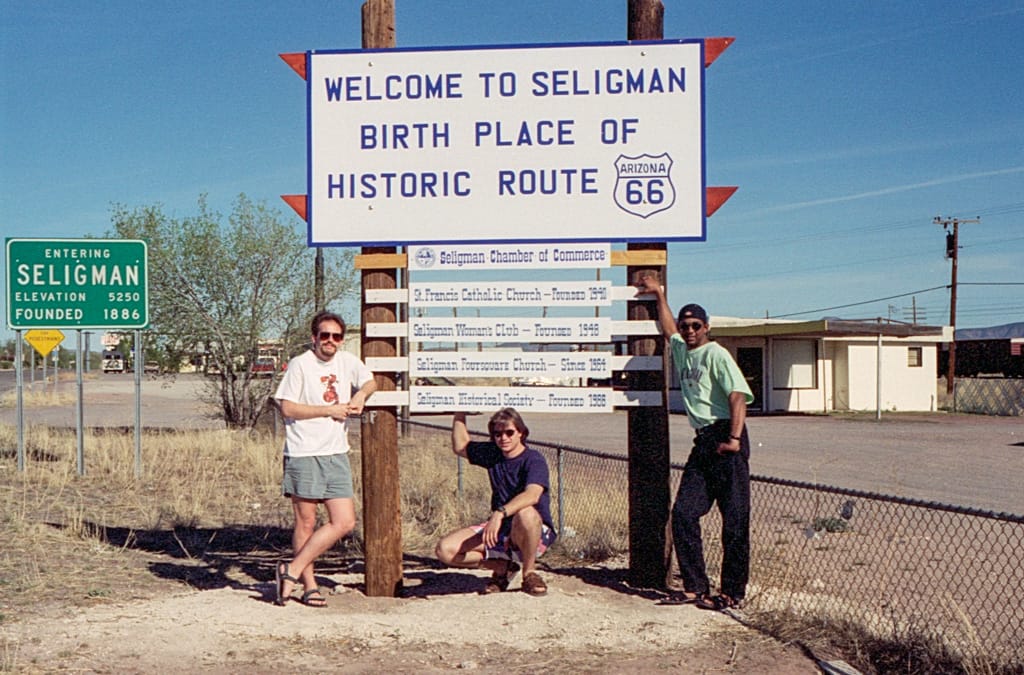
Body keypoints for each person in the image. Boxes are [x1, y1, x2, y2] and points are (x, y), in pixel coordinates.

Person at [637, 273, 754, 611]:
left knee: (734, 521)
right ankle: (695, 586)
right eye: (687, 325)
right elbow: (668, 328)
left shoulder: (716, 354)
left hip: (725, 437)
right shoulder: (682, 350)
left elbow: (737, 396)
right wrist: (659, 294)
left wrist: (733, 439)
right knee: (684, 513)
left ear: (707, 328)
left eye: (696, 325)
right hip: (703, 442)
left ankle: (732, 592)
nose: (689, 330)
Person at [272, 310, 377, 607]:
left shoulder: (346, 362)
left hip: (336, 453)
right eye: (325, 335)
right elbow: (288, 408)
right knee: (305, 523)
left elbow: (370, 382)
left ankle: (289, 569)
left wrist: (360, 397)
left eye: (336, 336)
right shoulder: (300, 364)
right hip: (305, 452)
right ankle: (309, 585)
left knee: (344, 521)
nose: (330, 341)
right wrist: (327, 410)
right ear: (314, 337)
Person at [435, 408, 557, 596]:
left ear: (521, 433)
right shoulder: (494, 453)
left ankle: (529, 573)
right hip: (503, 530)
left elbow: (532, 495)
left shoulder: (533, 459)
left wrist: (499, 513)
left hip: (532, 530)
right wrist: (459, 412)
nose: (504, 438)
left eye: (509, 433)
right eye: (497, 434)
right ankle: (502, 568)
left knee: (526, 513)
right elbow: (460, 446)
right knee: (445, 550)